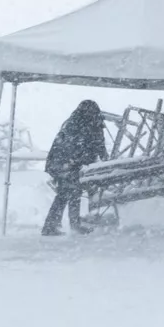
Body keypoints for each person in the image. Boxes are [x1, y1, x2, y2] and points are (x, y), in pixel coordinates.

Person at [41, 100, 108, 237]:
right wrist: (75, 160)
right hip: (66, 164)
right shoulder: (84, 124)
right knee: (71, 192)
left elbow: (94, 144)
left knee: (67, 193)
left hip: (65, 163)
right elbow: (90, 145)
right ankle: (67, 225)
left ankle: (55, 225)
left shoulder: (76, 122)